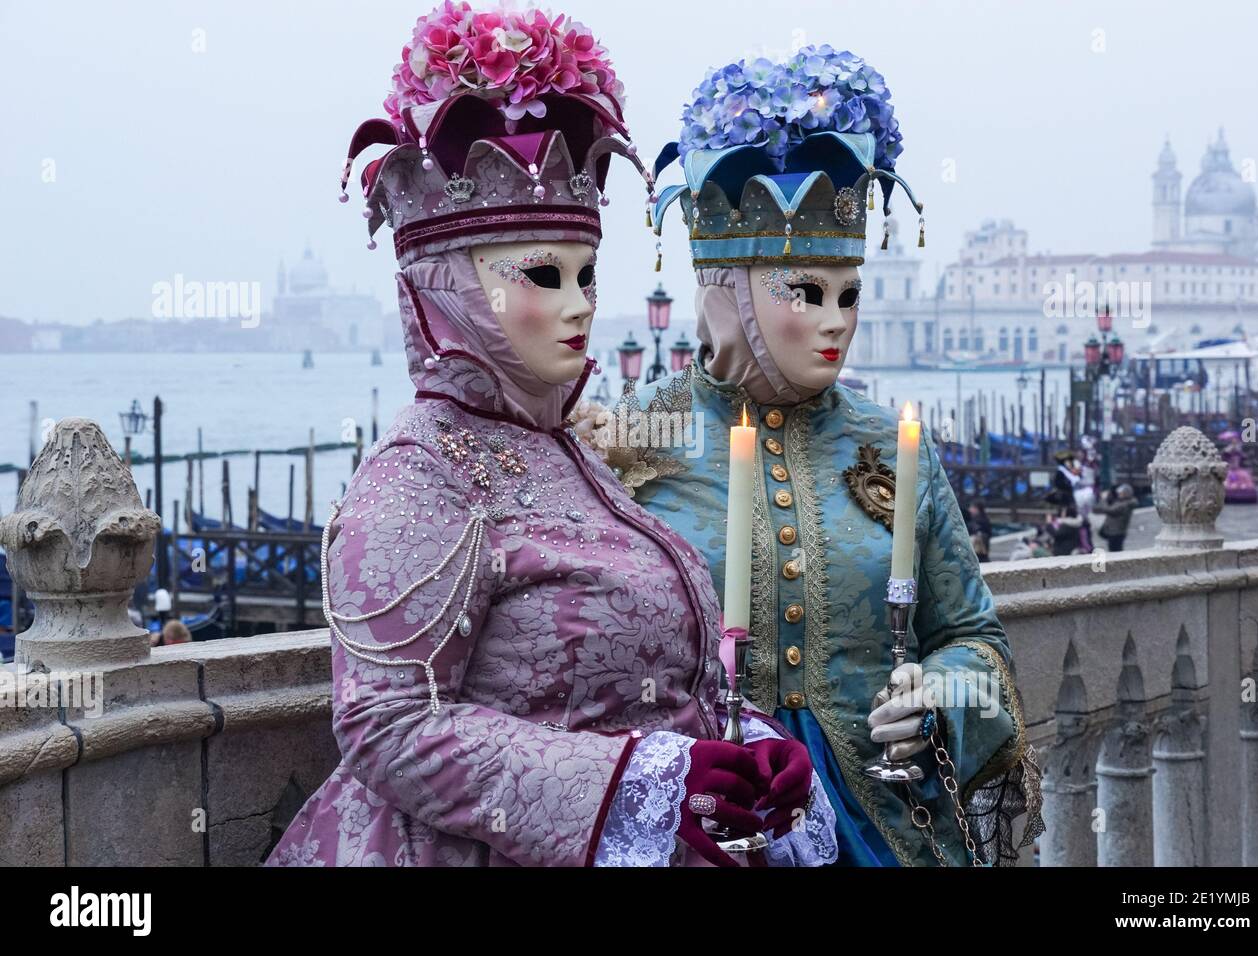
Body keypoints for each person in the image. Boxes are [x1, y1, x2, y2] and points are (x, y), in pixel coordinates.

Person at [267, 4, 833, 868]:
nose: (579, 305)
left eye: (585, 274)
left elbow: (651, 686)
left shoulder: (569, 452)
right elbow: (385, 724)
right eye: (541, 275)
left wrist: (742, 749)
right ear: (447, 287)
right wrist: (643, 785)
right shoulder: (418, 476)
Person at [588, 45, 1042, 866]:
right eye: (806, 293)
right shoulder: (625, 443)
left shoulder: (890, 446)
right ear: (727, 294)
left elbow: (978, 641)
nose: (837, 322)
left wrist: (942, 696)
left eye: (850, 294)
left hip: (888, 830)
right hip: (707, 831)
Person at [1093, 484, 1137, 552]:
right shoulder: (1121, 502)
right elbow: (1097, 509)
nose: (1119, 494)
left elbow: (1110, 510)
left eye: (1121, 493)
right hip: (1114, 531)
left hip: (1116, 532)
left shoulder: (1126, 504)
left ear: (1126, 494)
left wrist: (1104, 500)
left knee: (1116, 551)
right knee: (1114, 550)